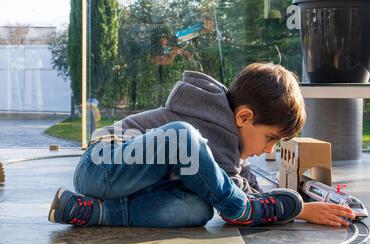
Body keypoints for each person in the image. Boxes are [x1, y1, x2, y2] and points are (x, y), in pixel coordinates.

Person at [48, 63, 356, 228]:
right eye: (270, 138)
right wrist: (263, 207)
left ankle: (91, 213)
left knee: (197, 208)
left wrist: (301, 208)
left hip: (122, 190)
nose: (268, 151)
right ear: (244, 117)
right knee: (184, 137)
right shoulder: (208, 124)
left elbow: (243, 186)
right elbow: (238, 194)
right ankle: (239, 211)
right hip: (102, 164)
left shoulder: (231, 146)